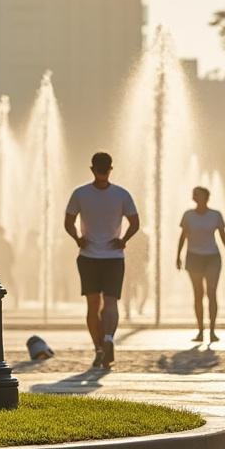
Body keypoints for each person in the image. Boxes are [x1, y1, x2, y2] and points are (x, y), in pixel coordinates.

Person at [64, 152, 139, 369]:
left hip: (88, 257)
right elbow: (135, 222)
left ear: (92, 169)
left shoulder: (80, 193)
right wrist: (123, 240)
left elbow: (68, 221)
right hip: (114, 257)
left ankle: (98, 347)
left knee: (92, 305)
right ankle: (108, 339)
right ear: (110, 169)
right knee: (111, 302)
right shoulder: (122, 194)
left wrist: (78, 238)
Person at [176, 186, 225, 343]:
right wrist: (178, 256)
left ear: (206, 197)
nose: (195, 196)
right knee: (198, 294)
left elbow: (223, 237)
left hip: (212, 257)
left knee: (212, 293)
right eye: (194, 194)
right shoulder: (188, 215)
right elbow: (183, 236)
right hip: (193, 256)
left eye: (198, 194)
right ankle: (200, 331)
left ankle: (212, 331)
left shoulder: (215, 215)